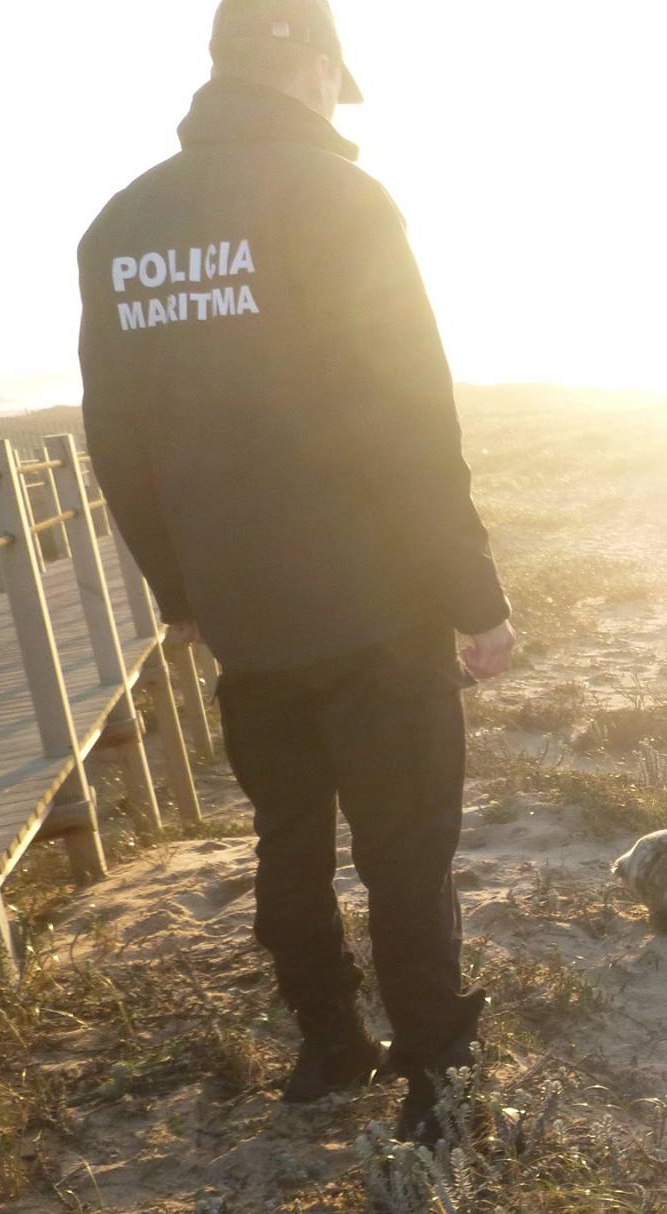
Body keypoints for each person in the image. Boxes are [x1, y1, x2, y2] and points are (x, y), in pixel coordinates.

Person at [76, 0, 515, 1140]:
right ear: (317, 69)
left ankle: (327, 1046)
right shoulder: (340, 200)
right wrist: (472, 596)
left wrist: (181, 592)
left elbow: (116, 441)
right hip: (373, 604)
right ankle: (434, 1074)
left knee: (290, 838)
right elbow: (410, 418)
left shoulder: (120, 228)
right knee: (405, 849)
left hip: (244, 617)